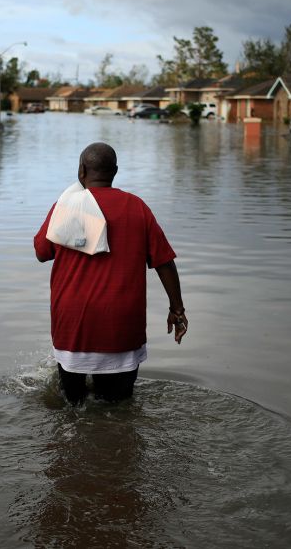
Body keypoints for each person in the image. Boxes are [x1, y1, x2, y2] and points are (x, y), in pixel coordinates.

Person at [34, 142, 187, 404]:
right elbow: (164, 262)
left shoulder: (67, 207)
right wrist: (177, 309)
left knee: (72, 407)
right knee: (118, 407)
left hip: (73, 325)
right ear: (115, 171)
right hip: (122, 327)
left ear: (81, 170)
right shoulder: (137, 207)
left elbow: (41, 252)